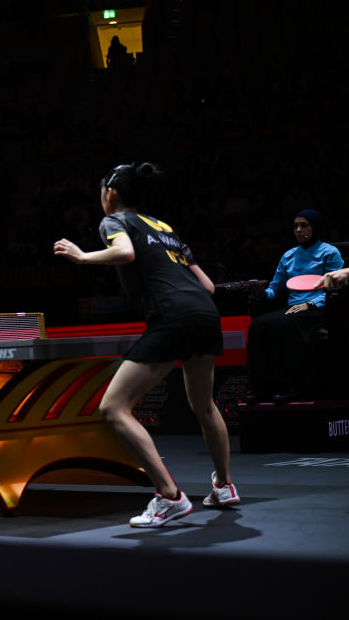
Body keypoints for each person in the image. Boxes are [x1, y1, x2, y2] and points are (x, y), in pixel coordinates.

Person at [54, 162, 239, 528]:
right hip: (204, 314)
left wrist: (82, 257)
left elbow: (125, 253)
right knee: (204, 405)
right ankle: (224, 485)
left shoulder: (114, 221)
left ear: (110, 194)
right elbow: (208, 286)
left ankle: (169, 496)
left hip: (172, 316)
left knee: (113, 407)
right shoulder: (164, 227)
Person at [246, 210, 343, 402]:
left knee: (287, 324)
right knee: (259, 324)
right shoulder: (288, 256)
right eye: (295, 226)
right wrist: (261, 292)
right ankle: (262, 387)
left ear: (315, 227)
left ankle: (292, 385)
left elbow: (336, 289)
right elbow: (275, 289)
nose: (298, 230)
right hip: (294, 308)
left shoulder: (330, 253)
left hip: (319, 308)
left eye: (304, 225)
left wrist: (310, 304)